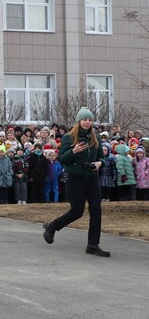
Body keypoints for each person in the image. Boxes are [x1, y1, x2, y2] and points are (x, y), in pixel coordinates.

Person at [43, 107, 110, 257]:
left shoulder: (96, 137)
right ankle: (52, 226)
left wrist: (99, 164)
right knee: (77, 211)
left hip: (92, 178)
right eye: (85, 119)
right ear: (79, 121)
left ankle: (93, 245)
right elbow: (62, 158)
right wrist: (74, 151)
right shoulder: (69, 137)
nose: (87, 122)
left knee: (96, 211)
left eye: (90, 120)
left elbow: (102, 158)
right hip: (75, 179)